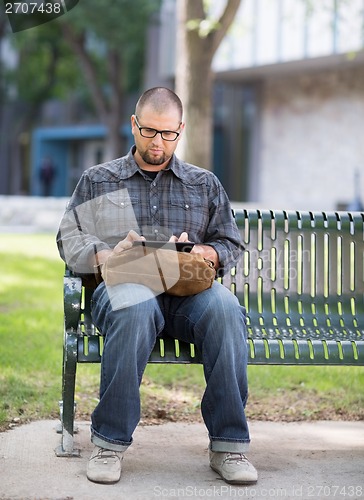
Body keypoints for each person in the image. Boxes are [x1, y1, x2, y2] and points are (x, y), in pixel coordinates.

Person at [57, 87, 258, 486]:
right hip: (123, 292)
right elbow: (69, 238)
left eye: (169, 134)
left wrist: (198, 249)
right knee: (134, 306)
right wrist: (105, 255)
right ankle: (109, 444)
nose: (158, 142)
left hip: (188, 295)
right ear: (134, 124)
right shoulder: (99, 180)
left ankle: (229, 445)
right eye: (150, 131)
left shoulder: (203, 184)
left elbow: (230, 243)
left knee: (225, 309)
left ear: (181, 130)